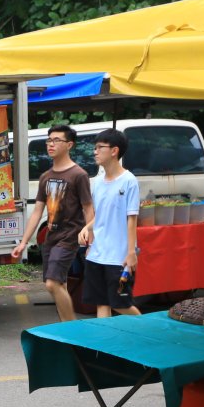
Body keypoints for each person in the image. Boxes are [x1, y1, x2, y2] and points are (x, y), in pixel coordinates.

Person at [11, 124, 94, 322]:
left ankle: (71, 326)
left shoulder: (78, 175)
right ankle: (66, 326)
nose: (51, 144)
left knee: (52, 283)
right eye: (49, 140)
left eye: (57, 140)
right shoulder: (45, 177)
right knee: (58, 285)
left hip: (69, 236)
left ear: (69, 145)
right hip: (51, 237)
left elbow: (88, 208)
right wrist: (23, 243)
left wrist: (91, 237)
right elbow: (37, 211)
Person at [79, 128, 141, 318]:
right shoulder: (96, 182)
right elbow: (101, 215)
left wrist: (131, 254)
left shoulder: (129, 181)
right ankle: (102, 346)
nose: (94, 151)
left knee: (121, 304)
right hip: (97, 254)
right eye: (95, 147)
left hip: (118, 258)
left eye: (99, 147)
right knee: (101, 304)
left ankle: (149, 331)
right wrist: (87, 228)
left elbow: (132, 220)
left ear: (114, 151)